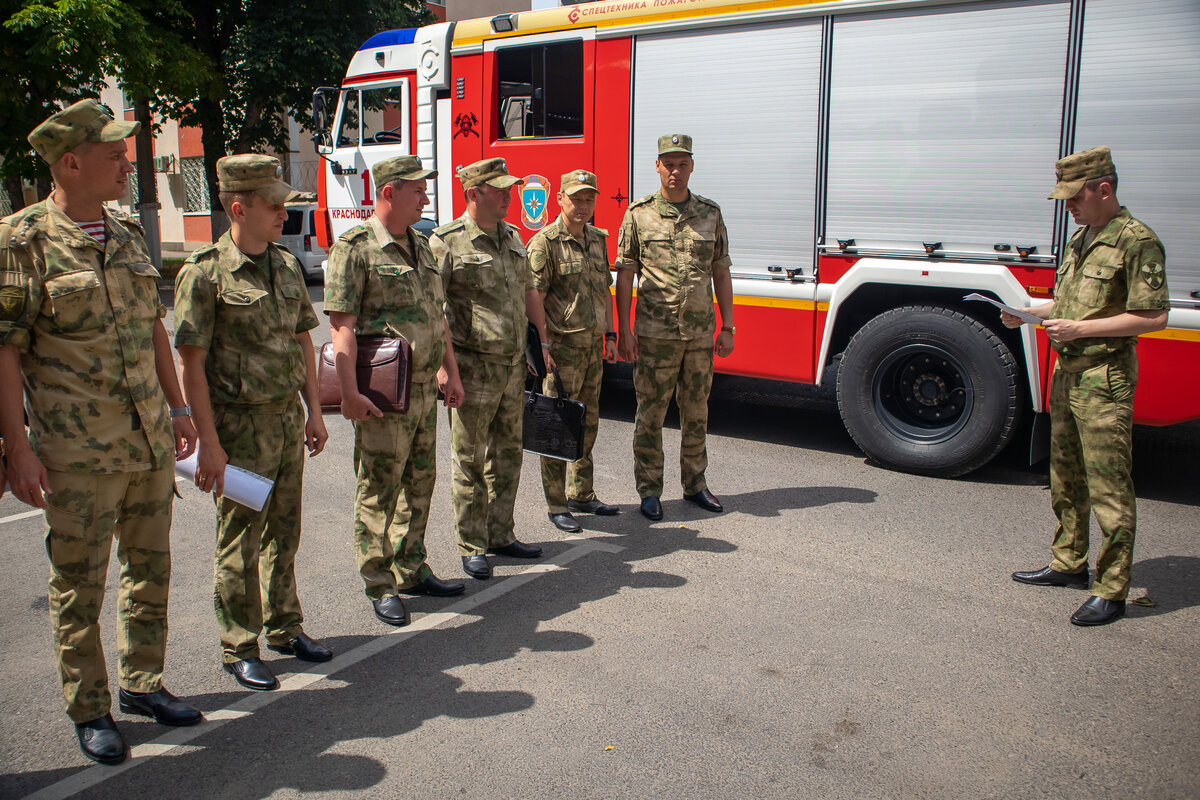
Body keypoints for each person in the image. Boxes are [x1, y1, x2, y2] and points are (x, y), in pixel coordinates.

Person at [0, 99, 202, 765]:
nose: (125, 163)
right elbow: (5, 350)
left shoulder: (124, 232)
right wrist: (19, 447)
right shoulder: (22, 240)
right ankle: (90, 706)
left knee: (150, 569)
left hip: (144, 438)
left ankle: (143, 684)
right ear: (71, 161)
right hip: (76, 453)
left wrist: (177, 409)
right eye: (114, 154)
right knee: (79, 583)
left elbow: (151, 327)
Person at [174, 154, 332, 691]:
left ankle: (286, 626)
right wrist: (208, 445)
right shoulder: (204, 273)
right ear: (238, 208)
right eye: (273, 205)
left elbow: (302, 340)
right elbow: (191, 364)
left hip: (286, 422)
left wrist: (314, 410)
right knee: (240, 539)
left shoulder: (285, 266)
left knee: (285, 532)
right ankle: (239, 644)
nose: (284, 213)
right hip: (237, 431)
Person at [1007, 146, 1169, 627]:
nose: (1070, 207)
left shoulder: (1137, 241)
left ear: (1105, 189)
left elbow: (1154, 315)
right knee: (1065, 475)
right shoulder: (1082, 239)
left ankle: (1112, 588)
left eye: (1076, 197)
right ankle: (1068, 563)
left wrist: (1079, 331)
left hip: (1104, 379)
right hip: (1067, 373)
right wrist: (1028, 313)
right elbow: (1069, 301)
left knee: (1108, 486)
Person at [325, 156, 466, 626]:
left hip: (426, 391)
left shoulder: (423, 245)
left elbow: (437, 314)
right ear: (390, 192)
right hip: (383, 397)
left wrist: (451, 372)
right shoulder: (356, 248)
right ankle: (379, 582)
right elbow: (341, 327)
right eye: (418, 190)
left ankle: (412, 566)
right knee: (379, 489)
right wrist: (348, 395)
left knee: (419, 484)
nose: (427, 197)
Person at [431, 157, 544, 579]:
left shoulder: (512, 237)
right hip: (473, 368)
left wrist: (542, 343)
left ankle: (501, 532)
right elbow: (435, 310)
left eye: (508, 188)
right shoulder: (446, 242)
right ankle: (472, 542)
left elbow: (530, 291)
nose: (507, 196)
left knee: (509, 454)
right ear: (472, 193)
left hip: (513, 365)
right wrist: (446, 369)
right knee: (470, 458)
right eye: (497, 189)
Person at [615, 134, 735, 521]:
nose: (675, 171)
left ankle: (695, 484)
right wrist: (624, 330)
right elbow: (626, 275)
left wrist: (728, 326)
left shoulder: (710, 213)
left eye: (682, 163)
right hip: (654, 334)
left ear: (692, 166)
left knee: (696, 412)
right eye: (668, 163)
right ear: (657, 166)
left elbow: (721, 270)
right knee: (650, 414)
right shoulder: (638, 214)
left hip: (700, 335)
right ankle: (649, 491)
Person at [525, 169, 619, 533]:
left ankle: (582, 492)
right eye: (576, 198)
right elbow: (535, 301)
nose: (582, 206)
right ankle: (556, 503)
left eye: (589, 199)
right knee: (557, 426)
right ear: (560, 199)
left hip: (591, 348)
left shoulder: (597, 239)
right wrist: (542, 348)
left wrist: (610, 336)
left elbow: (603, 292)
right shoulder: (544, 243)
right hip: (560, 351)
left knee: (588, 422)